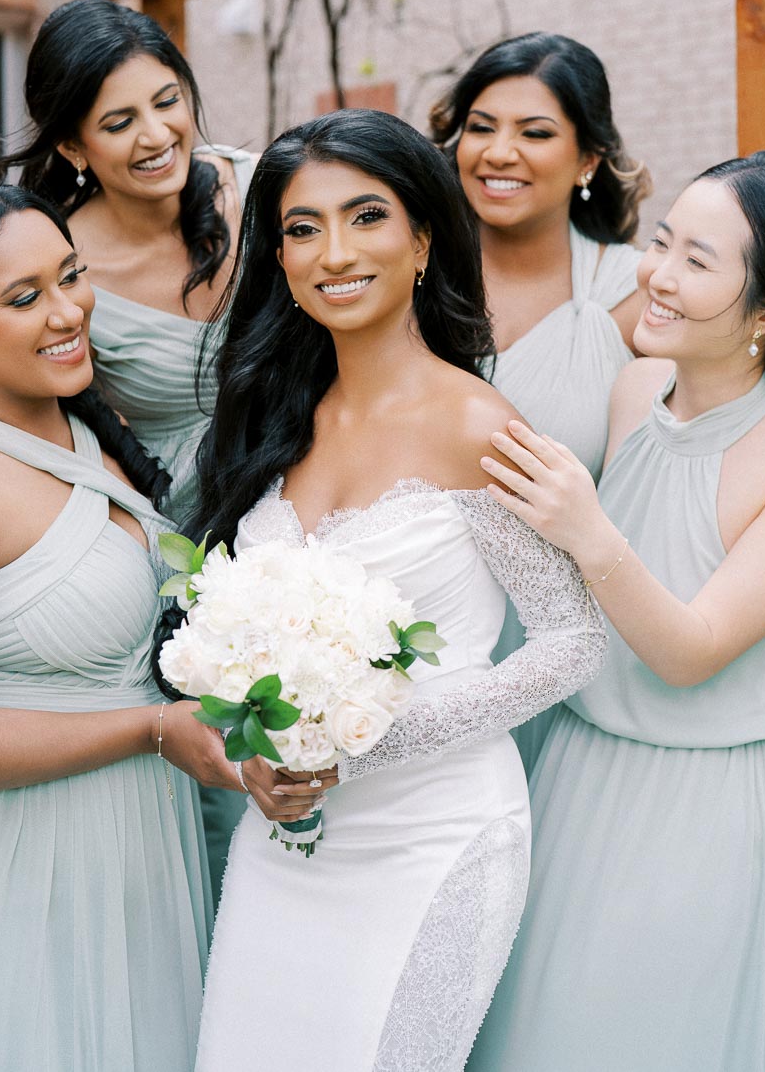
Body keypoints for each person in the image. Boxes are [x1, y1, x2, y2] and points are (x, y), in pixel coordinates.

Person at [176, 108, 607, 1072]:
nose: (334, 252)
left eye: (366, 216)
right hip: (286, 842)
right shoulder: (272, 416)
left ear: (422, 239)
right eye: (302, 228)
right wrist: (259, 758)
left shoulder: (478, 425)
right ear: (280, 259)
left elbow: (573, 640)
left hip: (435, 835)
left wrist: (369, 744)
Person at [0, 182, 236, 1072]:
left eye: (72, 276)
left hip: (138, 850)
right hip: (15, 865)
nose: (67, 312)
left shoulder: (88, 423)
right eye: (24, 298)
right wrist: (151, 728)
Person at [473, 151, 765, 1072]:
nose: (658, 275)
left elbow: (693, 651)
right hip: (576, 769)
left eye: (699, 261)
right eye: (663, 242)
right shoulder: (633, 390)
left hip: (706, 803)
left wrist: (587, 529)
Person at [0, 0, 252, 904]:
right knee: (225, 780)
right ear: (73, 145)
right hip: (188, 536)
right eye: (118, 122)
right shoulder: (63, 267)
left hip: (316, 482)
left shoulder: (262, 191)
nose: (155, 135)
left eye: (167, 101)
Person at [431, 31, 651, 775]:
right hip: (418, 633)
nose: (500, 153)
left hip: (565, 650)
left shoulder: (636, 294)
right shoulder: (411, 271)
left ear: (589, 159)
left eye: (535, 133)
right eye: (482, 127)